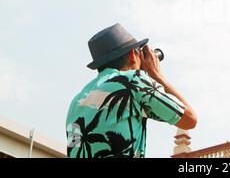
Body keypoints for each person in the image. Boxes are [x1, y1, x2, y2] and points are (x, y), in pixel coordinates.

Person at [65, 23, 197, 158]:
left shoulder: (75, 103)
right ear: (133, 55)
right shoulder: (133, 81)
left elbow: (74, 150)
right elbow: (189, 119)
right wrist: (156, 75)